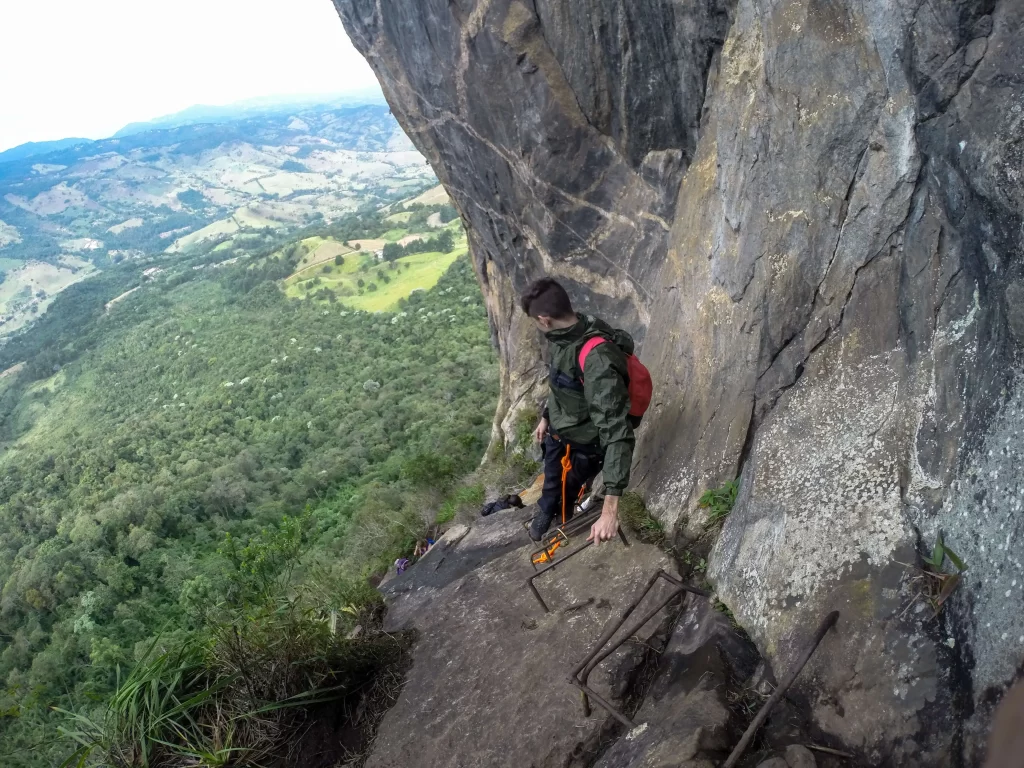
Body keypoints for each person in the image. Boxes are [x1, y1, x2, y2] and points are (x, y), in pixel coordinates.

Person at [520, 278, 643, 545]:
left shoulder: (596, 358)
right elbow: (564, 385)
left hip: (581, 444)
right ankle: (547, 510)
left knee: (567, 487)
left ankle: (562, 521)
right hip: (559, 432)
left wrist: (610, 511)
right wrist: (546, 417)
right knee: (552, 481)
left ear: (544, 319)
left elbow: (617, 433)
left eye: (534, 321)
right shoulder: (567, 334)